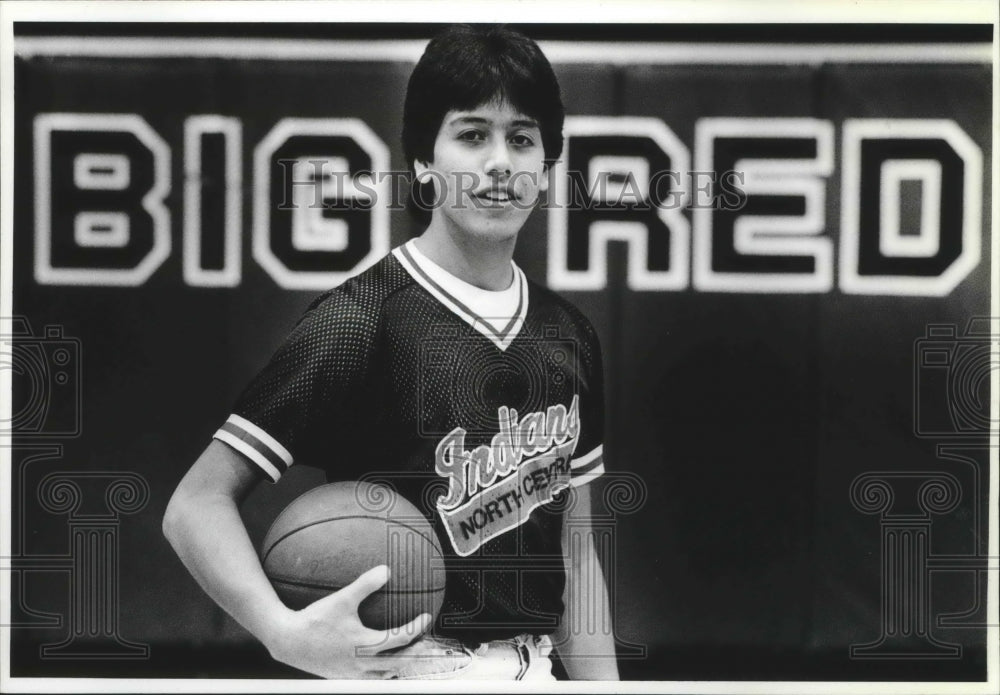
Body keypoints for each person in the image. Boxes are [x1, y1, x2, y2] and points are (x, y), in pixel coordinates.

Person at [163, 24, 618, 681]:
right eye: (471, 134)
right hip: (409, 669)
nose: (499, 162)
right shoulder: (359, 319)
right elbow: (195, 505)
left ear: (547, 163)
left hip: (537, 667)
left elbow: (576, 552)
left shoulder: (570, 333)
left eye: (521, 138)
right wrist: (281, 631)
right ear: (424, 162)